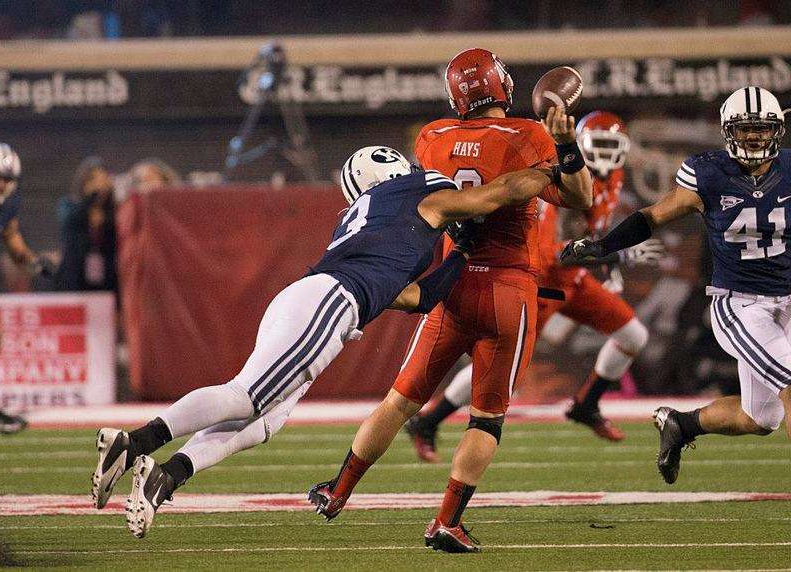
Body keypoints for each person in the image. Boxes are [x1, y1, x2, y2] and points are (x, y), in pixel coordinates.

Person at [92, 144, 568, 538]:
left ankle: (164, 476)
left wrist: (460, 255)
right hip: (330, 301)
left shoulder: (379, 218)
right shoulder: (421, 189)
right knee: (246, 397)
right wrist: (547, 170)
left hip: (319, 301)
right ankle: (134, 443)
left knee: (263, 422)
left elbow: (418, 297)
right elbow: (498, 193)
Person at [307, 48, 593, 554]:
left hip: (452, 282)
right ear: (501, 85)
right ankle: (445, 521)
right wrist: (566, 145)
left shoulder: (432, 137)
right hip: (509, 288)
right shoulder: (530, 135)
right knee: (486, 417)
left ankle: (337, 490)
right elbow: (579, 197)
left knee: (399, 401)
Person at [561, 86, 791, 485]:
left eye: (762, 129)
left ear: (778, 130)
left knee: (762, 418)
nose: (754, 137)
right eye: (746, 129)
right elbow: (653, 216)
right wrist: (603, 246)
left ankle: (681, 425)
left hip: (787, 301)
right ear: (727, 132)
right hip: (741, 306)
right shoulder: (708, 173)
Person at [404, 112, 663, 460]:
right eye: (596, 146)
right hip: (543, 283)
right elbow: (550, 255)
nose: (603, 156)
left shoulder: (613, 176)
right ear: (579, 145)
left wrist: (605, 259)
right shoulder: (562, 182)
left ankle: (586, 404)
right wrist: (613, 256)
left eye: (611, 146)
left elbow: (588, 235)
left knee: (633, 335)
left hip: (576, 280)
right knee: (499, 371)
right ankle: (429, 421)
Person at [0, 142, 54, 433]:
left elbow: (10, 234)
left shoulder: (6, 204)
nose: (0, 183)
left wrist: (33, 263)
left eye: (5, 178)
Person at [55, 157, 118, 295]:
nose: (98, 184)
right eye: (93, 179)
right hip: (75, 275)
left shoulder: (114, 211)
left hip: (107, 276)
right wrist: (91, 197)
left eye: (103, 179)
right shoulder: (69, 205)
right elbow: (70, 221)